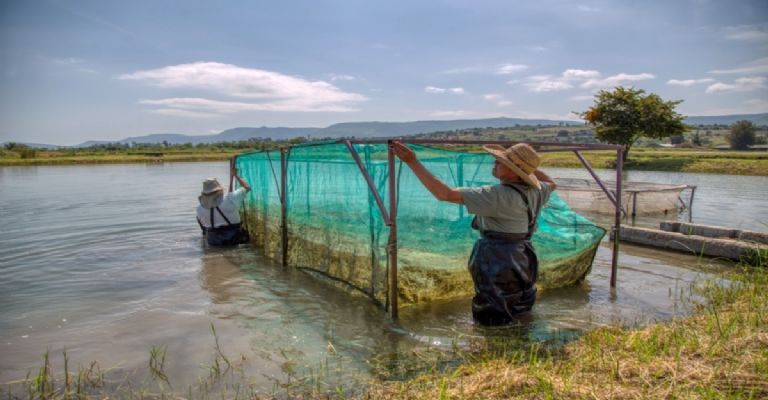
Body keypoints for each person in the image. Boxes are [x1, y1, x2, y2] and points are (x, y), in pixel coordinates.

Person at [391, 141, 557, 325]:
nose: (495, 164)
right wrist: (526, 171)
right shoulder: (537, 190)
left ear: (514, 171)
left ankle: (490, 347)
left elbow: (444, 194)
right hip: (524, 254)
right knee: (520, 303)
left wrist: (412, 162)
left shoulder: (496, 195)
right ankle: (520, 340)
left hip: (498, 257)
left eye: (501, 162)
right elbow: (552, 183)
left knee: (491, 312)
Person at [196, 166, 251, 246]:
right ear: (219, 190)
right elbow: (247, 187)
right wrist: (235, 175)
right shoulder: (230, 198)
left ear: (204, 194)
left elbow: (203, 227)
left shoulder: (200, 209)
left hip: (213, 241)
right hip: (233, 239)